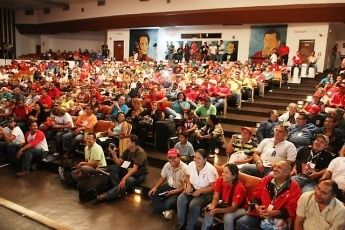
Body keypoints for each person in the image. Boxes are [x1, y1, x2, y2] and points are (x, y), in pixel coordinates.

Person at [236, 161, 301, 230]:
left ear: (287, 173)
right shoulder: (266, 179)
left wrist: (274, 213)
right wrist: (257, 207)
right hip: (260, 215)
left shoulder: (294, 187)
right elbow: (255, 196)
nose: (275, 169)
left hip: (279, 219)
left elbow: (292, 208)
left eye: (279, 167)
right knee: (241, 222)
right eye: (275, 166)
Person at [97, 134, 148, 201]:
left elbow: (134, 169)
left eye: (128, 141)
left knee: (128, 180)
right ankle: (118, 191)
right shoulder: (128, 150)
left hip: (139, 175)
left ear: (133, 143)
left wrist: (123, 179)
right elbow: (118, 163)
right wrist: (113, 154)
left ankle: (107, 195)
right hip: (128, 171)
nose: (126, 143)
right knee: (112, 167)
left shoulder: (140, 152)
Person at [177, 149, 218, 230]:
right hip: (193, 189)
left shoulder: (210, 169)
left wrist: (201, 191)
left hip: (206, 193)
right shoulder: (191, 165)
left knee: (194, 204)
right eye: (195, 157)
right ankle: (181, 223)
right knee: (181, 199)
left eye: (199, 158)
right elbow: (186, 176)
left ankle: (189, 227)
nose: (196, 160)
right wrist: (188, 185)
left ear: (205, 159)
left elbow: (214, 187)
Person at [201, 163, 247, 230]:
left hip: (241, 208)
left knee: (228, 217)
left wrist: (217, 210)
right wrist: (213, 205)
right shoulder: (220, 180)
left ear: (234, 176)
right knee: (209, 208)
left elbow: (233, 208)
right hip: (226, 203)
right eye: (223, 172)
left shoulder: (239, 188)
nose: (223, 174)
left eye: (226, 173)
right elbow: (216, 197)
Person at [148, 148, 187, 219]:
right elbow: (163, 178)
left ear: (179, 157)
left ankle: (164, 208)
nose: (172, 160)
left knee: (167, 204)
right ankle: (165, 210)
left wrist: (172, 192)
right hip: (168, 186)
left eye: (174, 158)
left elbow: (184, 187)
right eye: (170, 158)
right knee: (151, 193)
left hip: (179, 191)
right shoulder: (167, 165)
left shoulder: (185, 168)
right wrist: (155, 187)